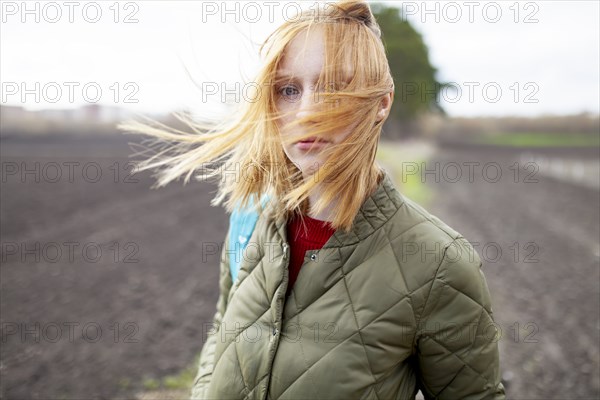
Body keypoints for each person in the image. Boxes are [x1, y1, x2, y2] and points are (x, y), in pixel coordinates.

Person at [120, 1, 506, 399]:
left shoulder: (439, 263)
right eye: (288, 90)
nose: (306, 111)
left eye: (334, 87)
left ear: (382, 102)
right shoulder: (249, 221)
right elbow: (220, 335)